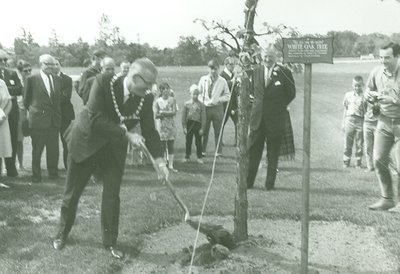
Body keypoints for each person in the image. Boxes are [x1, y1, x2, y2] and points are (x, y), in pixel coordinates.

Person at [52, 58, 169, 259]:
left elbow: (150, 131)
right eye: (148, 83)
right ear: (134, 77)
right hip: (86, 142)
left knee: (112, 196)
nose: (151, 88)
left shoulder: (145, 97)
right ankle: (62, 234)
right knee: (72, 193)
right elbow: (96, 117)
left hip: (113, 149)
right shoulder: (103, 81)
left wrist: (159, 161)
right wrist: (126, 135)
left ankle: (110, 242)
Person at [247, 48, 296, 190]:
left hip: (276, 120)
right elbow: (252, 92)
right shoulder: (255, 72)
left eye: (270, 56)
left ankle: (269, 184)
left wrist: (278, 107)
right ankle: (249, 182)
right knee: (254, 152)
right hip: (257, 120)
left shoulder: (284, 72)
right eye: (265, 56)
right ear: (261, 57)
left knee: (273, 154)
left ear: (275, 57)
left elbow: (291, 93)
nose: (267, 59)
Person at [366, 42, 400, 211]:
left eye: (387, 57)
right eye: (381, 57)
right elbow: (368, 90)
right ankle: (386, 199)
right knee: (378, 159)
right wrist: (370, 96)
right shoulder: (376, 72)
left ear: (397, 56)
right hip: (384, 121)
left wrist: (393, 100)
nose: (383, 61)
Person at [24, 54, 61, 183]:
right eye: (47, 64)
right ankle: (36, 175)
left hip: (53, 121)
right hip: (38, 121)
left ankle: (53, 173)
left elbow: (57, 101)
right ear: (41, 64)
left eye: (52, 64)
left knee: (53, 150)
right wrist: (36, 113)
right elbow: (26, 100)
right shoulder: (32, 79)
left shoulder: (57, 79)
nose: (51, 67)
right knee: (37, 150)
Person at [198, 59, 230, 157]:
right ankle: (202, 151)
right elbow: (199, 92)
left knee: (218, 131)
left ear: (218, 69)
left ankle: (218, 152)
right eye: (211, 69)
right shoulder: (203, 79)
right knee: (204, 130)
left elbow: (227, 95)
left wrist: (218, 100)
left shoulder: (222, 81)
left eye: (215, 69)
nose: (213, 71)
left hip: (217, 108)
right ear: (208, 69)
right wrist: (202, 102)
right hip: (206, 108)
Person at [0, 49, 23, 177]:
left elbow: (19, 89)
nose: (3, 62)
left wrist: (4, 89)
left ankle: (11, 168)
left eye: (5, 60)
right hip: (1, 109)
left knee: (12, 139)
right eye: (0, 60)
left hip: (11, 111)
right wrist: (7, 91)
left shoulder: (12, 74)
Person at [54, 60, 75, 169]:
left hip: (65, 115)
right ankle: (53, 169)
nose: (55, 66)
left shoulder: (67, 79)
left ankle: (68, 168)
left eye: (57, 64)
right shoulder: (46, 79)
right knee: (52, 144)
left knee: (67, 142)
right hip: (51, 115)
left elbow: (66, 97)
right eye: (53, 64)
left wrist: (49, 100)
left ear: (60, 65)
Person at [154, 82, 178, 172]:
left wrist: (163, 113)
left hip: (171, 125)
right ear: (161, 90)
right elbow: (156, 115)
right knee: (162, 145)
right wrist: (163, 113)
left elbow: (174, 112)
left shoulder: (172, 100)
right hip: (161, 126)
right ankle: (164, 164)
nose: (166, 91)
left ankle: (171, 165)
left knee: (171, 144)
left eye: (168, 89)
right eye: (164, 89)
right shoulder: (157, 101)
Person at [342, 75, 365, 168]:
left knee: (359, 143)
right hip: (349, 119)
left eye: (359, 85)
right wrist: (343, 122)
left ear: (362, 85)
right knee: (348, 141)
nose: (357, 87)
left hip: (360, 120)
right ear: (352, 85)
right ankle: (346, 161)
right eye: (355, 85)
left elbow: (366, 111)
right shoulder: (348, 95)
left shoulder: (364, 96)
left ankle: (358, 162)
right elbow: (345, 109)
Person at [182, 84, 206, 164]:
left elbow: (203, 117)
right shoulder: (186, 104)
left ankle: (199, 157)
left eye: (196, 94)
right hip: (189, 124)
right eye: (193, 94)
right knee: (188, 141)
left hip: (198, 124)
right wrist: (184, 126)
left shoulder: (201, 105)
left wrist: (202, 128)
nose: (195, 96)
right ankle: (187, 156)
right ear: (190, 94)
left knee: (198, 141)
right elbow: (184, 116)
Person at [15, 60, 32, 170]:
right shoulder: (16, 80)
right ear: (19, 71)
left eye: (30, 70)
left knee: (20, 138)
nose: (28, 72)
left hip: (25, 111)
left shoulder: (31, 80)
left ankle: (20, 164)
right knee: (16, 139)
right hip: (16, 110)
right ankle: (14, 164)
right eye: (26, 71)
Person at [220, 56, 239, 146]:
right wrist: (231, 82)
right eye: (231, 64)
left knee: (238, 122)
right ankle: (219, 141)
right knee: (222, 123)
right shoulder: (222, 75)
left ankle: (237, 141)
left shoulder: (234, 74)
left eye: (234, 64)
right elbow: (220, 86)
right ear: (226, 64)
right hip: (225, 104)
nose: (233, 66)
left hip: (234, 104)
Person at [363, 82, 379, 172]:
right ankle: (370, 166)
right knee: (368, 146)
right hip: (367, 123)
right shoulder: (366, 98)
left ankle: (379, 167)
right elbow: (364, 109)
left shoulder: (380, 98)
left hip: (378, 124)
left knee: (378, 147)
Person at [0, 79, 12, 185]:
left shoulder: (2, 83)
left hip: (2, 120)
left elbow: (9, 101)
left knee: (1, 149)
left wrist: (3, 117)